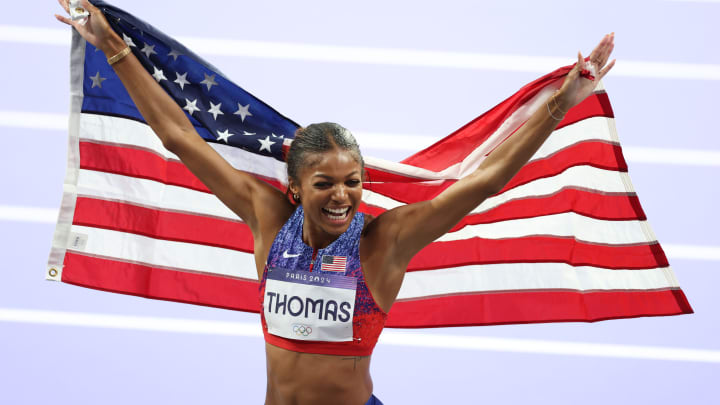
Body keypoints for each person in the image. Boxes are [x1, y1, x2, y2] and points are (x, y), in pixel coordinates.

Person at [55, 1, 615, 403]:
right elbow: (179, 138)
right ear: (296, 189)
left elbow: (484, 183)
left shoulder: (385, 241)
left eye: (353, 181)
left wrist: (562, 103)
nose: (343, 195)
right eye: (325, 183)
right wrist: (114, 47)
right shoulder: (266, 217)